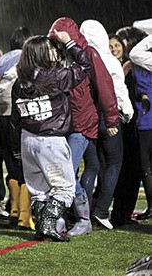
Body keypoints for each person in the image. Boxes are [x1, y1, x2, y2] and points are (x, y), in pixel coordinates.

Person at [12, 31, 91, 242]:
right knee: (65, 187)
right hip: (51, 139)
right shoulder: (54, 76)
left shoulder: (20, 82)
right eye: (49, 49)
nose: (54, 51)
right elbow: (84, 66)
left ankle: (42, 226)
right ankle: (47, 225)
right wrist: (70, 42)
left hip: (27, 139)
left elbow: (15, 117)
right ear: (40, 54)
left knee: (38, 189)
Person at [48, 17, 119, 236]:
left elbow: (105, 87)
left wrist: (111, 118)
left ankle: (82, 217)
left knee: (67, 171)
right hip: (65, 123)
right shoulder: (59, 56)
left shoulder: (89, 54)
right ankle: (73, 214)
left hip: (82, 122)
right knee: (91, 166)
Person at [79, 20, 134, 229]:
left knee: (93, 166)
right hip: (109, 117)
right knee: (114, 162)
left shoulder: (80, 59)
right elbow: (119, 91)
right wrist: (127, 113)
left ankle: (83, 210)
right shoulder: (109, 61)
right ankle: (100, 211)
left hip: (88, 118)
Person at [0, 27, 34, 230]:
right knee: (24, 165)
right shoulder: (25, 58)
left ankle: (14, 210)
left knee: (10, 162)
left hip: (0, 116)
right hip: (17, 115)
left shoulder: (1, 60)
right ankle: (24, 215)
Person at [111, 26, 148, 225]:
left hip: (131, 123)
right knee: (124, 170)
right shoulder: (112, 67)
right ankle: (119, 214)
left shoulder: (129, 65)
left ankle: (124, 213)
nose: (115, 48)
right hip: (120, 124)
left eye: (118, 44)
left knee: (132, 171)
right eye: (111, 46)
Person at [128, 32, 152, 220]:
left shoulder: (138, 65)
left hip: (146, 121)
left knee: (146, 167)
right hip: (146, 119)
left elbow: (135, 53)